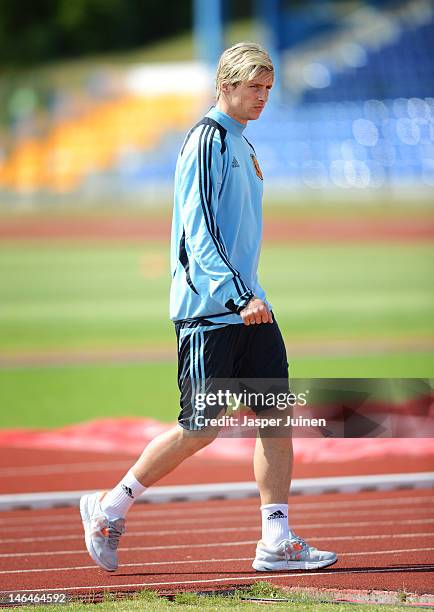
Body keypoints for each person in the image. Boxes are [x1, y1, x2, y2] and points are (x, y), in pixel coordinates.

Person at [80, 41, 337, 574]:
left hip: (250, 307)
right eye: (254, 87)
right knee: (201, 426)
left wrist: (251, 295)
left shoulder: (242, 143)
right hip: (212, 312)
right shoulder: (208, 139)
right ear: (226, 85)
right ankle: (109, 508)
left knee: (274, 417)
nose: (263, 97)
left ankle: (276, 537)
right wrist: (237, 295)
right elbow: (200, 233)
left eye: (269, 88)